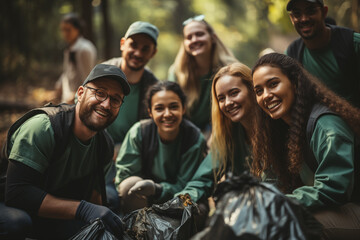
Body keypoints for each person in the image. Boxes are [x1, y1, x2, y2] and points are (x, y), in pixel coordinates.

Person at [0, 64, 130, 239]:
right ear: (81, 93)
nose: (106, 104)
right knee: (18, 223)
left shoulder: (104, 145)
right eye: (100, 93)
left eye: (115, 99)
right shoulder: (44, 127)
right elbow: (16, 193)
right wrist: (84, 209)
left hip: (49, 210)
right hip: (9, 204)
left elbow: (95, 198)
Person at [252, 53, 360, 239]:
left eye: (273, 84)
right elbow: (272, 182)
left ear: (294, 82)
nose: (266, 95)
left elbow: (334, 188)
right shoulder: (281, 129)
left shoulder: (326, 125)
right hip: (336, 210)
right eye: (259, 91)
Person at [115, 81, 207, 214]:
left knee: (198, 210)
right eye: (159, 108)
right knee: (129, 185)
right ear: (150, 112)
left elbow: (189, 186)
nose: (167, 114)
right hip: (144, 200)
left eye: (174, 107)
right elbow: (125, 175)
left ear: (183, 109)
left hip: (178, 201)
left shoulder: (194, 139)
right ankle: (138, 230)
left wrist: (157, 189)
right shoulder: (139, 132)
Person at [176, 62, 257, 203]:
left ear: (252, 89)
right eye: (221, 98)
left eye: (234, 93)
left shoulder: (274, 126)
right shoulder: (229, 133)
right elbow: (204, 178)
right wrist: (182, 201)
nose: (228, 103)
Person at [168, 15, 238, 138]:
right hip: (187, 135)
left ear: (213, 37)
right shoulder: (176, 72)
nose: (194, 39)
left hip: (226, 132)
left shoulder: (230, 68)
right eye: (189, 37)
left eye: (199, 34)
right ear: (184, 43)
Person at [285, 0, 360, 107]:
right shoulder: (292, 55)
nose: (304, 19)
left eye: (310, 11)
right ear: (292, 19)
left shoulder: (352, 43)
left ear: (324, 12)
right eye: (297, 14)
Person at [104, 21, 159, 147]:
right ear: (122, 44)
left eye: (145, 49)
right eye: (133, 45)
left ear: (153, 53)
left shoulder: (154, 88)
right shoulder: (102, 73)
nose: (138, 53)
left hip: (132, 153)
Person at [56, 13, 97, 104]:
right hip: (67, 100)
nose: (65, 33)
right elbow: (67, 71)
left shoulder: (84, 49)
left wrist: (76, 95)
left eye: (68, 30)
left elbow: (88, 78)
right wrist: (59, 85)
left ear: (77, 29)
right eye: (63, 30)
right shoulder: (69, 48)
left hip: (78, 101)